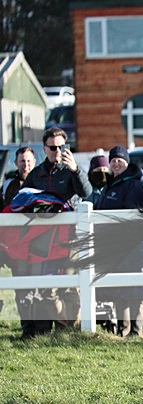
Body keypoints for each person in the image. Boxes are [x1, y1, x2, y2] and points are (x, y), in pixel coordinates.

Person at [18, 127, 92, 332]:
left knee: (70, 285)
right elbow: (25, 199)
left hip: (71, 237)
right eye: (52, 147)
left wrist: (76, 170)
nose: (57, 151)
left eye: (61, 146)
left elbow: (86, 192)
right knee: (46, 287)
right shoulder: (37, 173)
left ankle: (67, 329)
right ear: (44, 148)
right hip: (43, 238)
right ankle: (54, 327)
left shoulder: (72, 169)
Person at [95, 146, 143, 338]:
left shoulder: (132, 185)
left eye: (120, 160)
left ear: (127, 162)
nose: (116, 163)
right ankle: (122, 329)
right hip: (114, 247)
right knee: (118, 289)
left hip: (131, 247)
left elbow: (134, 215)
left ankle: (136, 331)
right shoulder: (111, 184)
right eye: (113, 160)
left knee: (134, 289)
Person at [1, 146, 37, 337]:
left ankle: (41, 329)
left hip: (39, 245)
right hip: (15, 247)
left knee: (39, 288)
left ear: (35, 162)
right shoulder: (8, 186)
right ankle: (27, 330)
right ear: (16, 163)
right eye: (22, 161)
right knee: (22, 289)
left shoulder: (41, 182)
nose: (26, 164)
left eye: (29, 160)